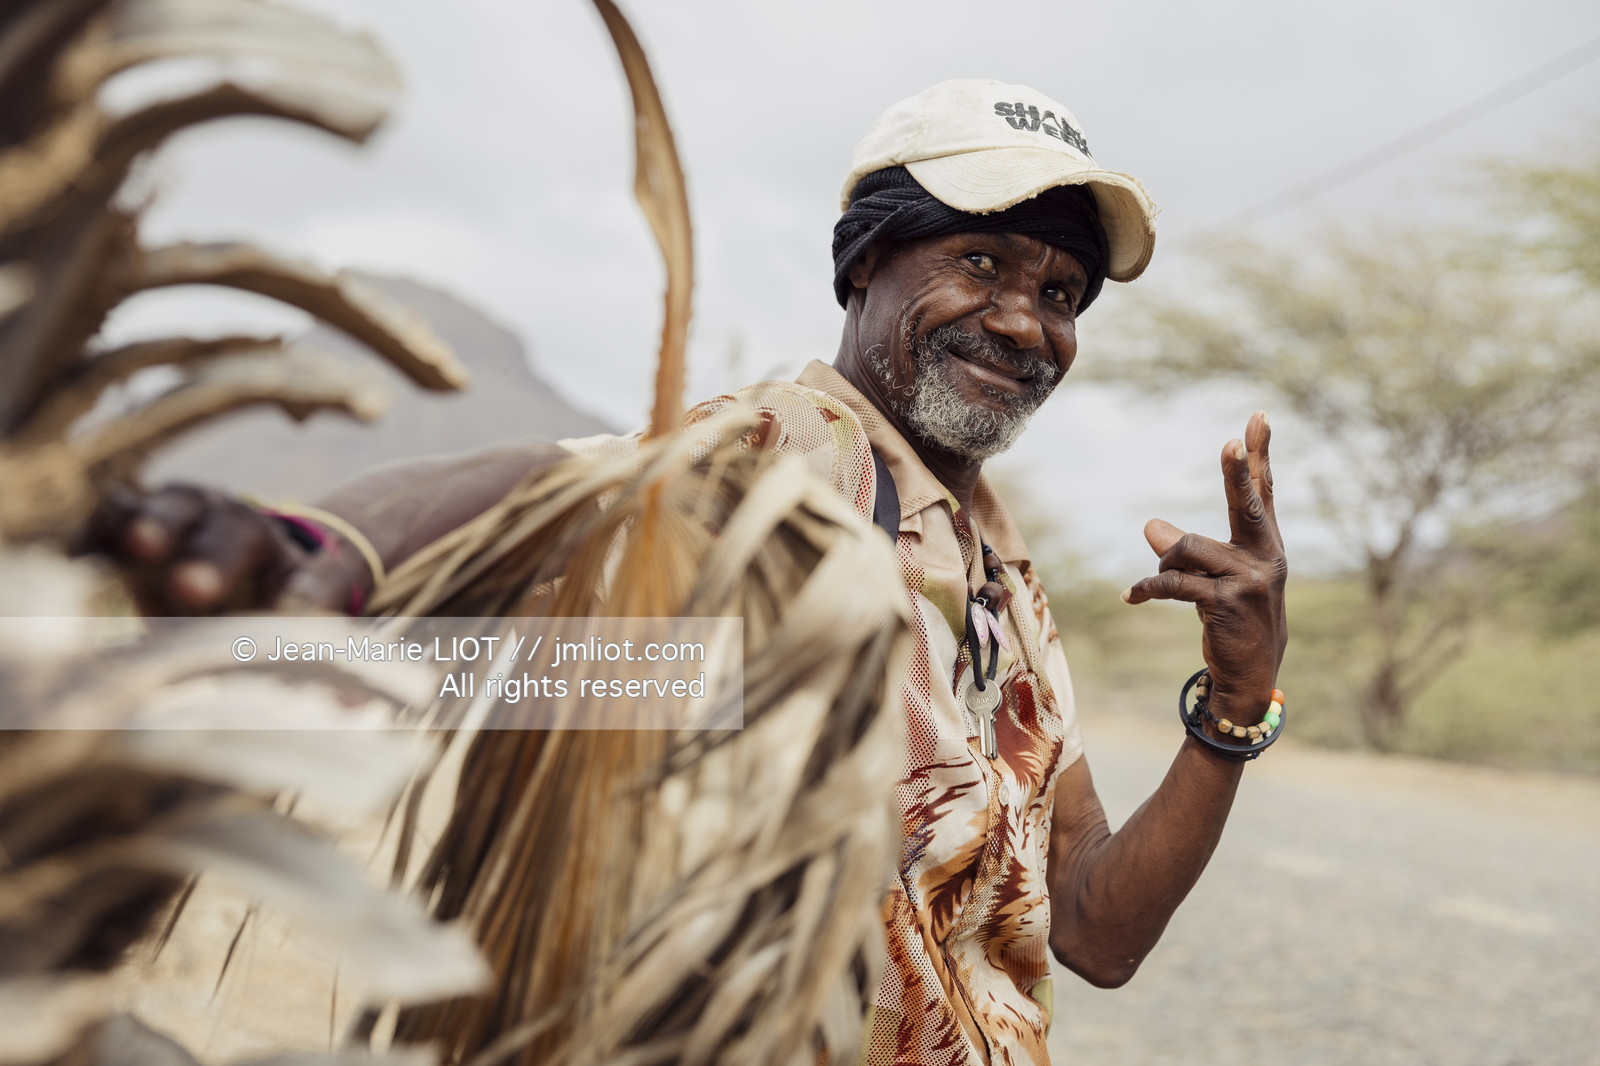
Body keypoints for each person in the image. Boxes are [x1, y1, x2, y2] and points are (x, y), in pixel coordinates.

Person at [97, 79, 1287, 1066]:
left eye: (1061, 294)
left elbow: (1094, 931)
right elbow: (563, 481)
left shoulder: (1003, 585)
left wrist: (1235, 702)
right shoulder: (802, 453)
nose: (1026, 324)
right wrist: (324, 554)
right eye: (981, 260)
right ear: (865, 261)